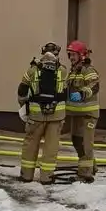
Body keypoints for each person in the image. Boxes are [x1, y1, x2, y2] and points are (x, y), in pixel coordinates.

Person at [18, 43, 66, 185]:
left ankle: (26, 175)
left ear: (43, 53)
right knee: (51, 147)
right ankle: (46, 177)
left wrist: (24, 107)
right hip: (56, 116)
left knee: (31, 145)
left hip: (36, 115)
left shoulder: (32, 70)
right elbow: (66, 91)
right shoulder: (62, 71)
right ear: (57, 55)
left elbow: (21, 91)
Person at [64, 40, 100, 182]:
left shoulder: (88, 70)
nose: (71, 57)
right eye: (70, 55)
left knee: (85, 143)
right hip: (75, 114)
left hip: (87, 114)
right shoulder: (73, 72)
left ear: (81, 55)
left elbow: (94, 86)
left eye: (74, 55)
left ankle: (85, 173)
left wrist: (82, 93)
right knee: (77, 141)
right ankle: (92, 166)